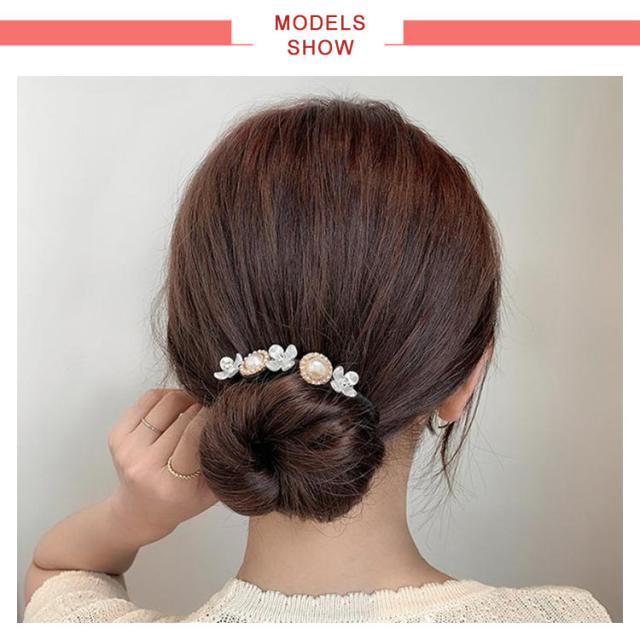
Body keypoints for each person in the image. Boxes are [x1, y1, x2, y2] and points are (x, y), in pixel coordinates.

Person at [23, 97, 611, 623]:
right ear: (463, 378)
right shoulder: (568, 622)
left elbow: (56, 571)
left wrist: (134, 515)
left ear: (202, 370)